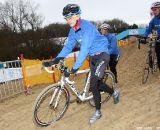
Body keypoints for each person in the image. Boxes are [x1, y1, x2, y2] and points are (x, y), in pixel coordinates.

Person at [42, 4, 120, 124]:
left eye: (70, 17)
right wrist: (56, 60)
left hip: (102, 55)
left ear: (78, 15)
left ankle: (98, 112)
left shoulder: (87, 27)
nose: (68, 20)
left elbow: (84, 50)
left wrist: (73, 69)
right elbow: (68, 46)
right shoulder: (72, 31)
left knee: (94, 85)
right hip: (93, 57)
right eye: (66, 18)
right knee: (97, 83)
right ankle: (114, 92)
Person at [141, 1, 160, 72]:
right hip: (158, 40)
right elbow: (148, 29)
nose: (154, 11)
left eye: (156, 9)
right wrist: (144, 37)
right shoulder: (153, 20)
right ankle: (152, 63)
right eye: (153, 10)